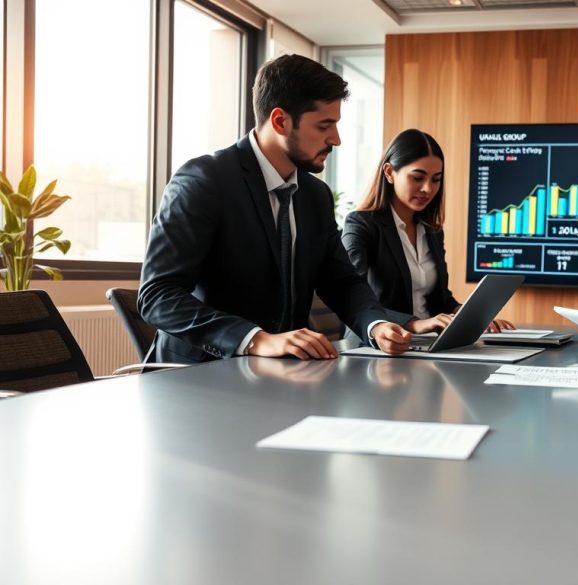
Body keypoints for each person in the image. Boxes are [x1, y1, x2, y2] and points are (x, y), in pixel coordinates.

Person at [139, 54, 412, 363]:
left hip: (283, 376)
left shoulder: (315, 196)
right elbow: (157, 296)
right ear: (281, 121)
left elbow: (342, 281)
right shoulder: (205, 181)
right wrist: (255, 339)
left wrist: (376, 326)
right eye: (325, 125)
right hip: (198, 377)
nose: (336, 139)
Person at [343, 128, 514, 333]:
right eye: (417, 178)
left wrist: (470, 315)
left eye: (436, 179)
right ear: (389, 173)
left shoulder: (431, 230)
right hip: (378, 345)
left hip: (427, 344)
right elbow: (352, 297)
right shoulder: (362, 224)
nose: (428, 189)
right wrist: (414, 323)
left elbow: (440, 299)